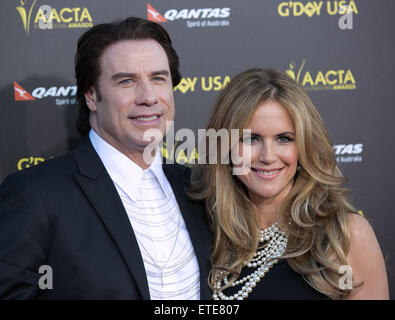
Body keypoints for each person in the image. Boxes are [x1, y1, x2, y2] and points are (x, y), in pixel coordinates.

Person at [0, 17, 211, 300]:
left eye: (158, 78)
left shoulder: (198, 189)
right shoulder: (37, 194)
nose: (148, 97)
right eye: (127, 81)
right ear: (91, 95)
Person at [189, 68, 389, 300]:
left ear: (304, 146)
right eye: (251, 138)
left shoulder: (345, 235)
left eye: (284, 139)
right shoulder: (199, 228)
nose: (268, 156)